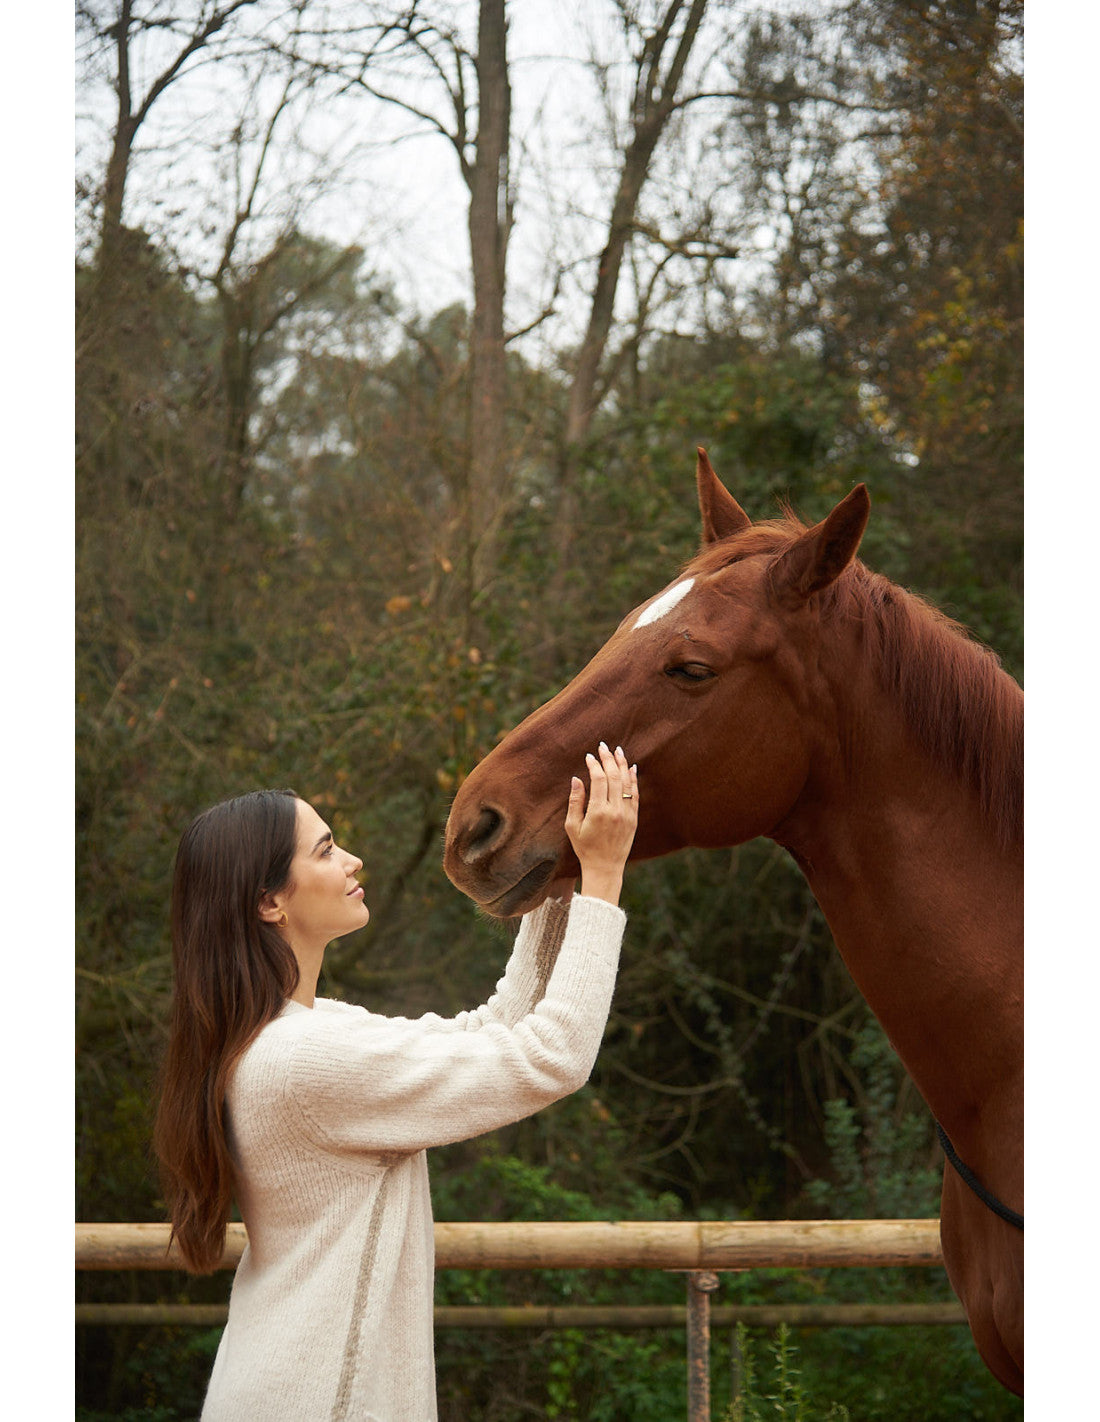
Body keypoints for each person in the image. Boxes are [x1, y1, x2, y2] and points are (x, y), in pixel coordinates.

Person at [153, 742, 639, 1421]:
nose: (352, 861)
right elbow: (551, 1055)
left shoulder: (305, 1031)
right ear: (269, 902)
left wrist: (553, 875)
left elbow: (495, 1026)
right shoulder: (304, 1060)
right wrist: (606, 879)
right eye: (324, 851)